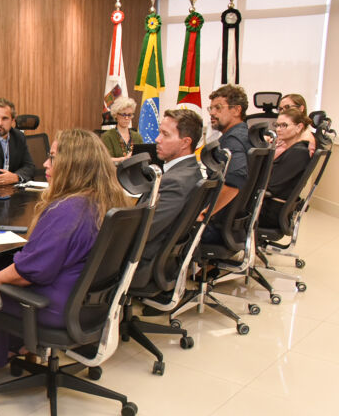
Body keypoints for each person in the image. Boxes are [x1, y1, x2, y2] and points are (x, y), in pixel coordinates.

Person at [0, 129, 129, 386]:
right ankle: (18, 349)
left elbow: (27, 274)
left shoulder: (68, 210)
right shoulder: (104, 201)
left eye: (54, 158)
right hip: (88, 304)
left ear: (74, 165)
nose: (45, 164)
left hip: (56, 308)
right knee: (3, 268)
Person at [131, 109, 204, 288]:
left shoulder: (176, 182)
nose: (157, 139)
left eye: (165, 134)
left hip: (143, 266)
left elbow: (143, 232)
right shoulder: (191, 171)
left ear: (185, 143)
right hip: (160, 260)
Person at [202, 84, 251, 244]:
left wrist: (205, 215)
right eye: (211, 109)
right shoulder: (245, 134)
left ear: (236, 110)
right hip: (236, 225)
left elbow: (233, 182)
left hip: (216, 228)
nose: (212, 113)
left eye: (218, 108)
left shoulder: (232, 141)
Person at [259, 108, 312, 228]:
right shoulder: (292, 149)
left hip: (270, 213)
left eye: (284, 125)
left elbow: (272, 186)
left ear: (299, 127)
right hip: (270, 207)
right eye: (277, 125)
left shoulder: (299, 152)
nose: (278, 129)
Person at [101, 97, 143, 161]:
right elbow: (105, 160)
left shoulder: (137, 136)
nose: (126, 118)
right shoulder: (107, 136)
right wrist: (124, 159)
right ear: (116, 115)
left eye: (129, 115)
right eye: (123, 114)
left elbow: (142, 156)